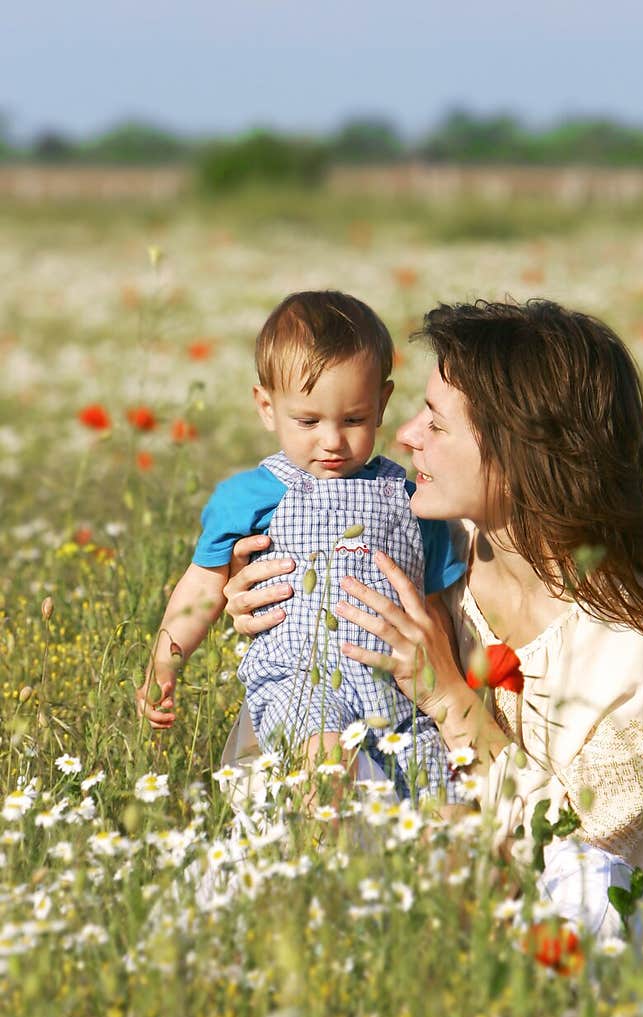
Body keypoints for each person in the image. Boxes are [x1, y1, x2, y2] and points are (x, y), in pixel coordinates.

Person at [221, 299, 643, 936]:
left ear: (525, 454)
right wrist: (269, 603)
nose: (406, 435)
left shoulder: (640, 631)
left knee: (586, 890)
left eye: (437, 424)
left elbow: (586, 852)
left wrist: (448, 694)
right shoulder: (438, 553)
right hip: (467, 879)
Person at [136, 290, 466, 801]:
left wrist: (447, 685)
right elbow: (204, 583)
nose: (332, 440)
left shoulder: (411, 497)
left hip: (397, 688)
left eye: (353, 419)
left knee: (443, 796)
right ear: (267, 407)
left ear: (381, 402)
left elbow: (434, 604)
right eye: (309, 421)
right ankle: (319, 867)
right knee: (324, 768)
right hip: (300, 680)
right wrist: (165, 661)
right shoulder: (252, 494)